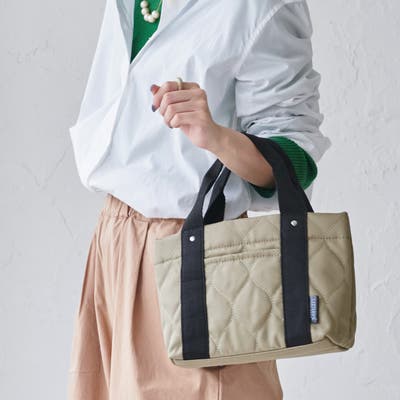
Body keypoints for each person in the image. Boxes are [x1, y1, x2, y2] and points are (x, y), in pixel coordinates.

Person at [67, 0, 332, 399]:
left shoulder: (258, 6)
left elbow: (297, 158)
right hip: (113, 244)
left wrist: (216, 137)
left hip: (197, 256)